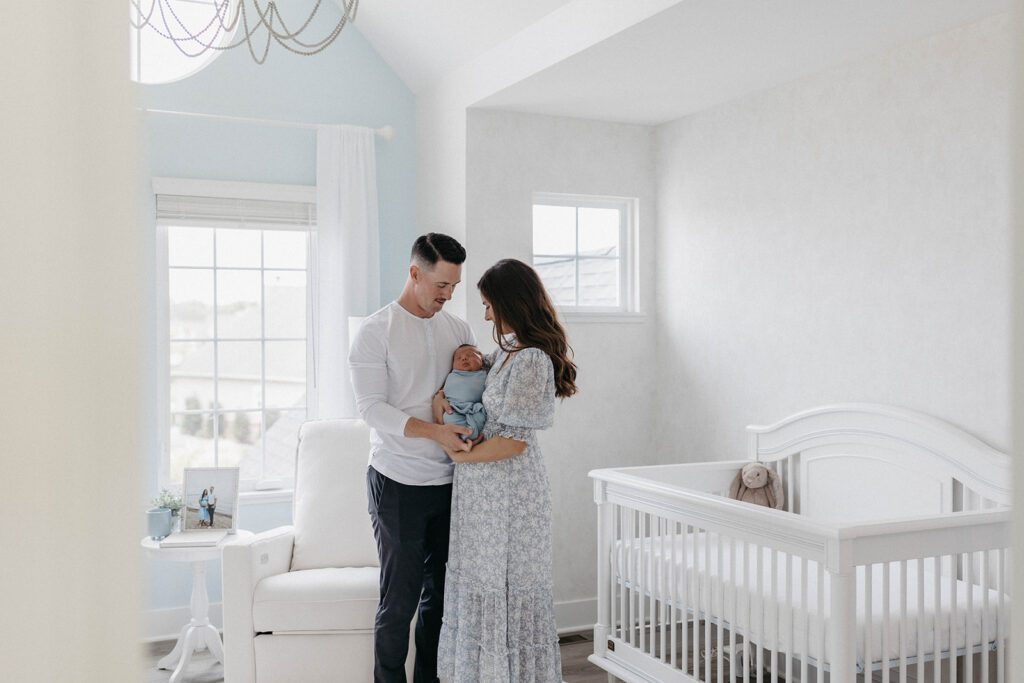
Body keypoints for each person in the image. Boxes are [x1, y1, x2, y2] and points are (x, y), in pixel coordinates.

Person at [434, 258, 578, 682]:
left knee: (509, 585)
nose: (486, 314)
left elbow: (514, 441)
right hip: (482, 491)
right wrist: (441, 406)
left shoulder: (531, 360)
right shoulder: (503, 353)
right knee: (480, 582)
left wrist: (460, 457)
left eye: (488, 305)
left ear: (509, 302)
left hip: (511, 492)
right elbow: (464, 393)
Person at [349, 233, 477, 683]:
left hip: (452, 483)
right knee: (398, 602)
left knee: (441, 601)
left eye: (454, 287)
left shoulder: (458, 331)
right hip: (397, 482)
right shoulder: (374, 331)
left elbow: (470, 394)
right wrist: (435, 432)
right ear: (414, 273)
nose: (447, 296)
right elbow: (371, 409)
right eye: (440, 285)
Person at [440, 344, 487, 442]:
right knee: (448, 417)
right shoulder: (452, 375)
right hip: (454, 407)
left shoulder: (484, 374)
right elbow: (443, 390)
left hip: (475, 408)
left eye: (470, 355)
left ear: (482, 360)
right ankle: (464, 434)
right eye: (458, 358)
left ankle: (472, 434)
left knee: (481, 417)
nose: (464, 358)